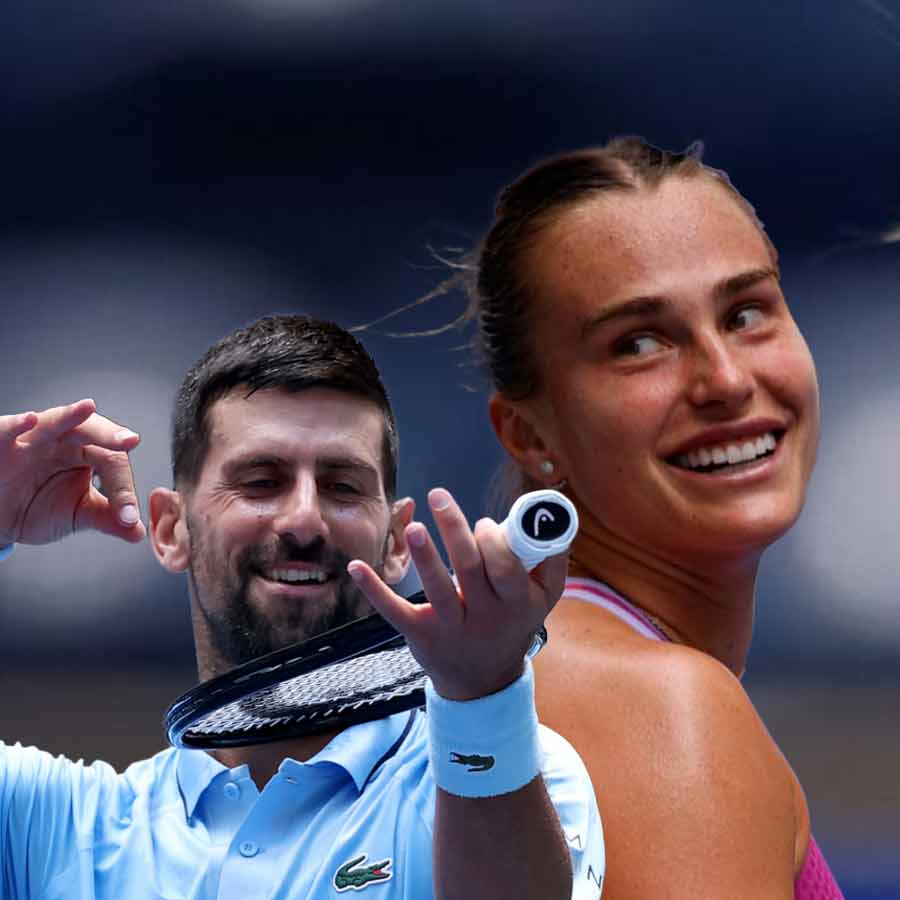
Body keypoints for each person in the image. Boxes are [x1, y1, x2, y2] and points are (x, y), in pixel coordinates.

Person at [0, 315, 604, 900]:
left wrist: (481, 695)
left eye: (343, 486)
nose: (305, 519)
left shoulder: (522, 775)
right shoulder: (56, 829)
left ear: (396, 541)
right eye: (261, 481)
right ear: (170, 528)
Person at [463, 138, 844, 898]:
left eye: (746, 313)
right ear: (530, 435)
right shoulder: (658, 710)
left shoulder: (539, 672)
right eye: (638, 343)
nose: (727, 380)